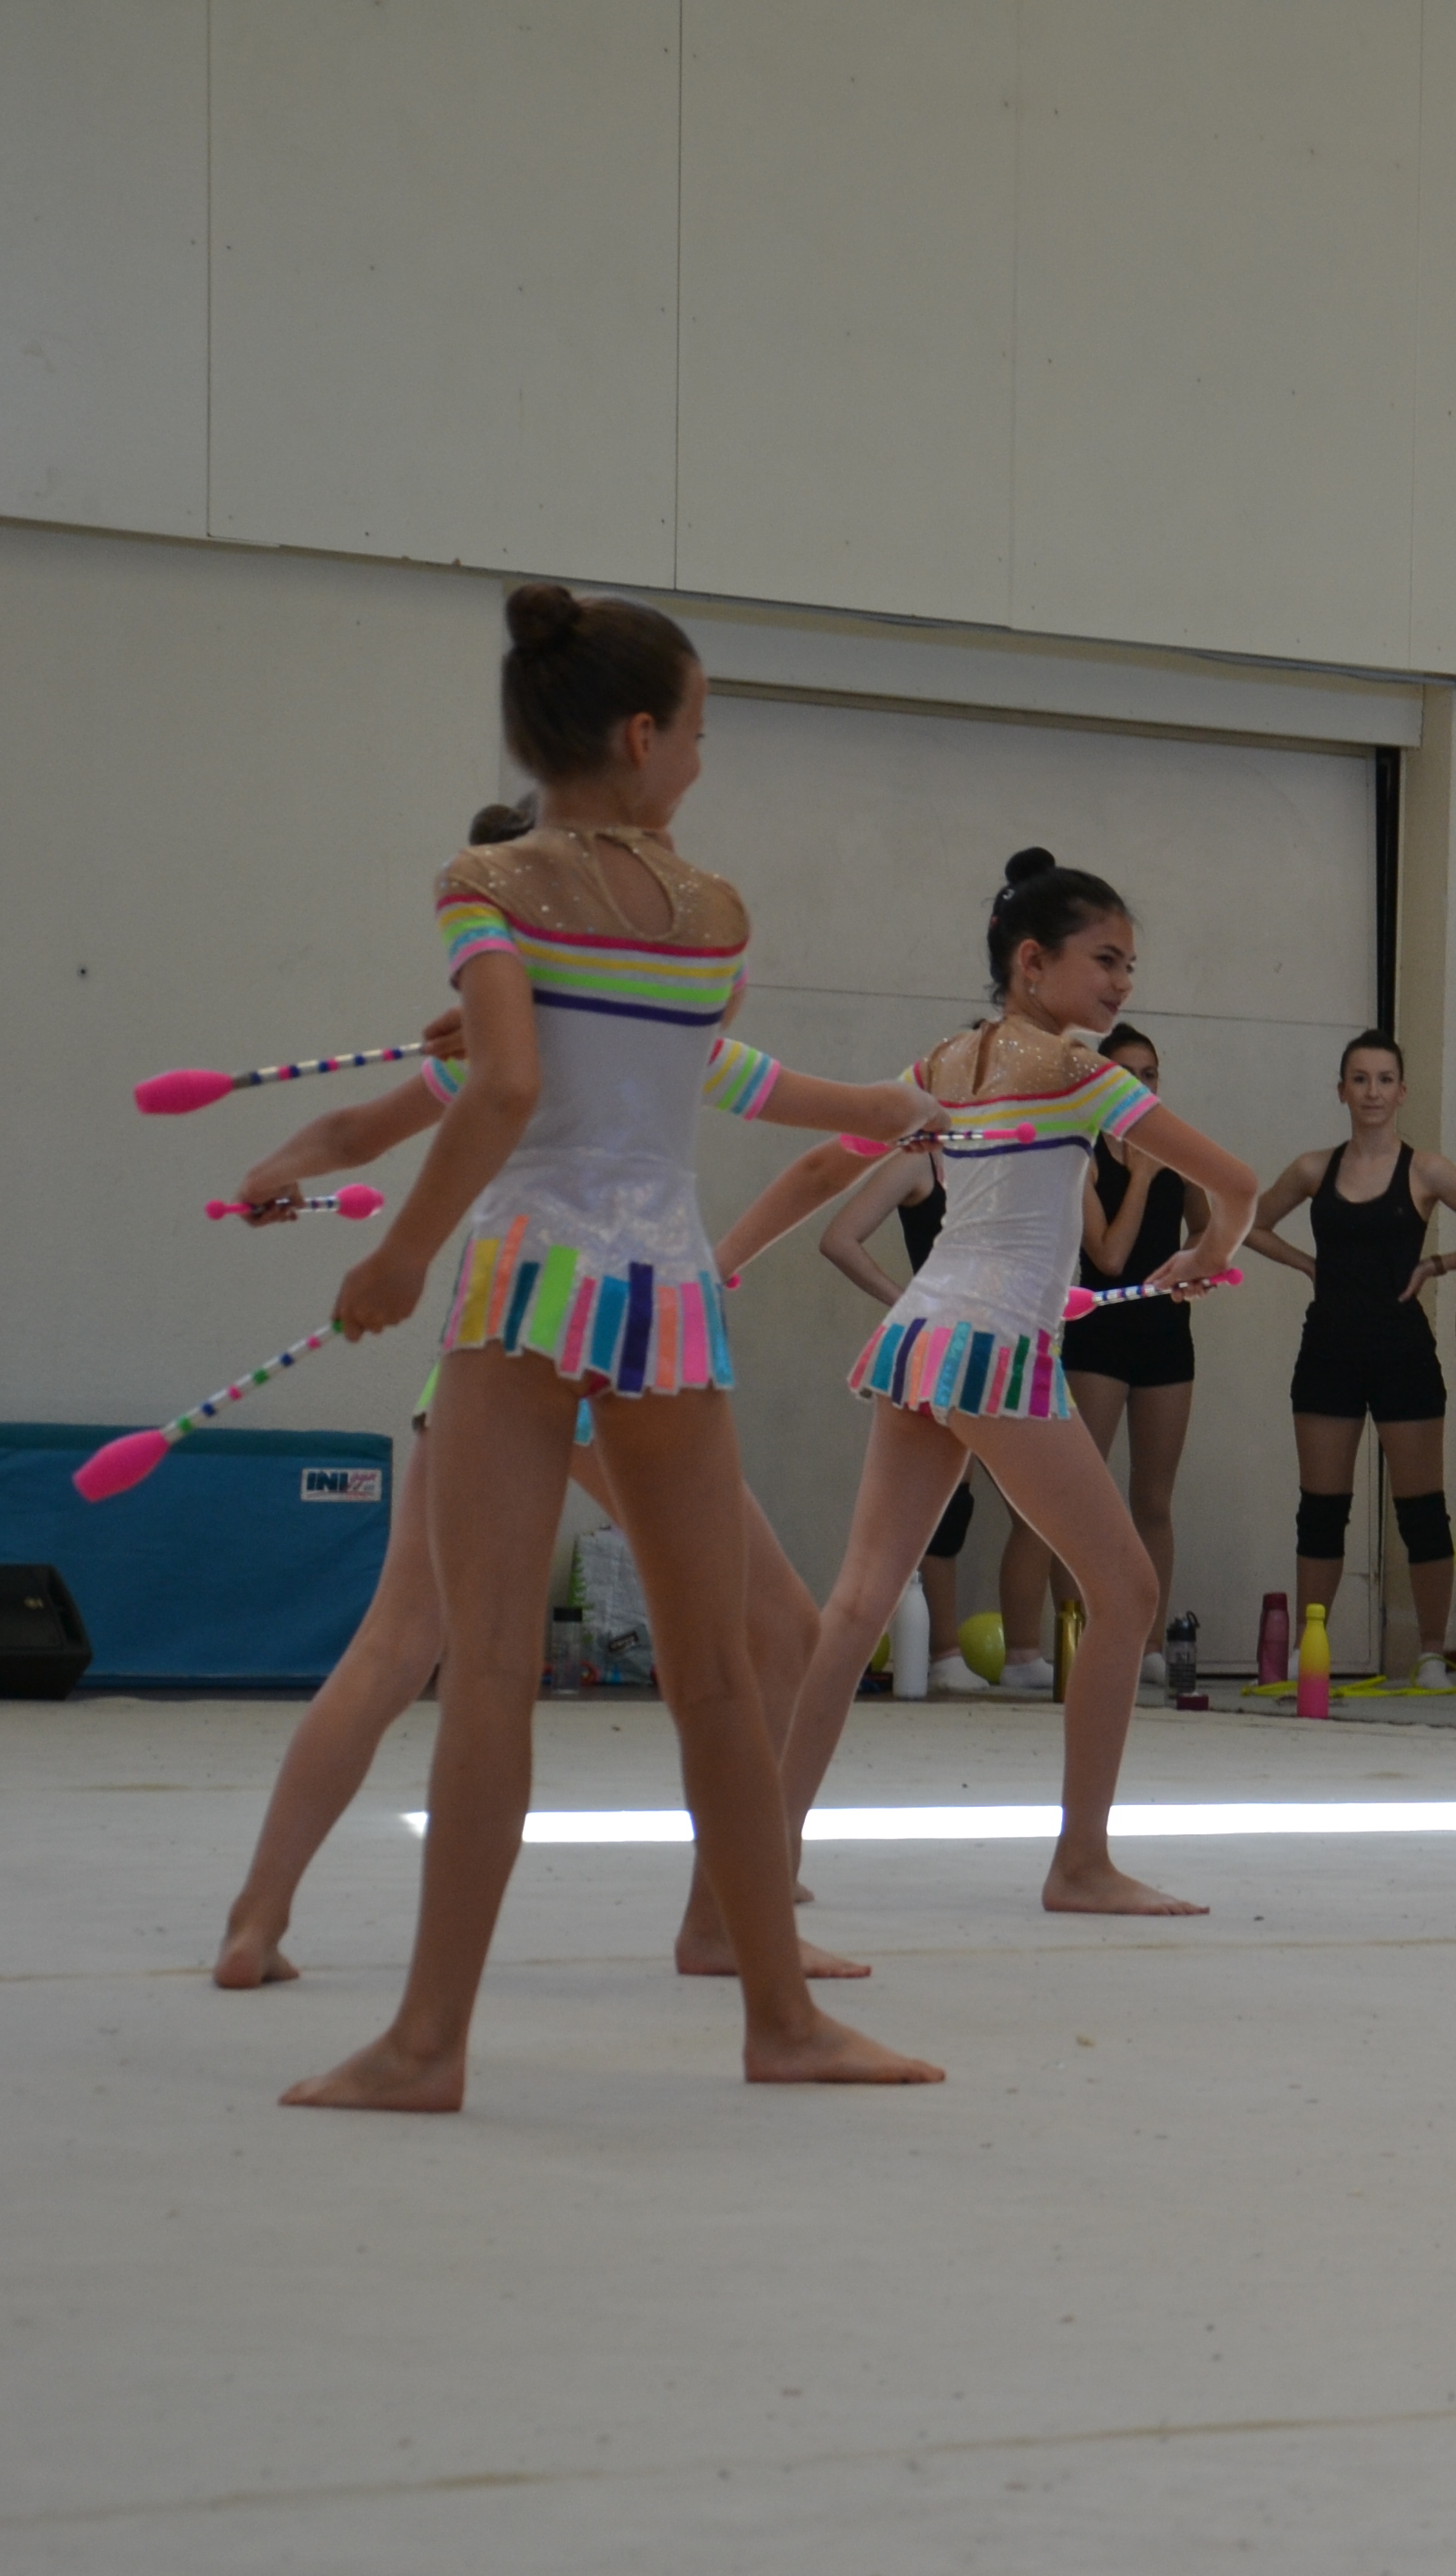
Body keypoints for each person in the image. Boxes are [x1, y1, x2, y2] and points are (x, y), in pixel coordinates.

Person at [282, 585, 941, 2110]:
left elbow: (509, 1089)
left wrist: (399, 1250)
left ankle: (427, 2044)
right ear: (642, 736)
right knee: (715, 1675)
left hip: (526, 1288)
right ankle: (780, 2019)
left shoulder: (484, 883)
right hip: (666, 1297)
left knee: (491, 1673)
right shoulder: (716, 913)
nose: (702, 758)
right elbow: (652, 1072)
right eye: (699, 730)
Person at [211, 812, 866, 1992]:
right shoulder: (653, 1041)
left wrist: (280, 1169)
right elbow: (824, 1101)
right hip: (614, 1351)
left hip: (489, 1349)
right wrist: (933, 1107)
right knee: (778, 1633)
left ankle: (255, 1920)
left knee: (398, 1646)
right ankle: (720, 1925)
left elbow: (355, 1129)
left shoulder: (508, 1044)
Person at [780, 847, 1259, 1918]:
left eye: (1130, 964)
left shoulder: (946, 1062)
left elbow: (826, 1172)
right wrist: (1209, 1252)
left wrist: (724, 1259)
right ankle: (1080, 1864)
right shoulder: (1084, 1075)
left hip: (924, 1336)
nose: (1123, 982)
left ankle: (764, 1849)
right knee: (1127, 1591)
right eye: (1106, 959)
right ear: (1032, 963)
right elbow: (1236, 1183)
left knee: (858, 1600)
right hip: (992, 1348)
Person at [1246, 1027, 1456, 1692]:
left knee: (1422, 1510)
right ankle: (1309, 1650)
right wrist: (1307, 1265)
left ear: (1402, 1091)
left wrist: (1439, 1263)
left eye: (1384, 1079)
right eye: (1360, 1079)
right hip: (1329, 1351)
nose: (1372, 1091)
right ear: (1342, 1091)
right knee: (1321, 1509)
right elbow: (1247, 1224)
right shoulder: (1312, 1169)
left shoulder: (1428, 1170)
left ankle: (1431, 1652)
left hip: (1403, 1353)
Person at [1008, 1020, 1209, 1691]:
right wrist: (1144, 1175)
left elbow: (1206, 1226)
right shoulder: (1083, 1153)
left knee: (1153, 1498)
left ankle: (1148, 1642)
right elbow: (1109, 1255)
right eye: (1126, 1074)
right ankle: (1080, 1635)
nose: (1141, 1085)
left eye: (1150, 1074)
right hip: (1098, 1337)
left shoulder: (1176, 1148)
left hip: (1164, 1336)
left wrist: (1196, 1263)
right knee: (1082, 1498)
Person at [816, 1140, 1008, 1691]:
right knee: (945, 1503)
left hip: (1006, 1342)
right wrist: (911, 1303)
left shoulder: (1006, 1158)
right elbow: (838, 1238)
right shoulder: (918, 1162)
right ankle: (943, 1652)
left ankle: (1022, 1653)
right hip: (946, 1348)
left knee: (1038, 1503)